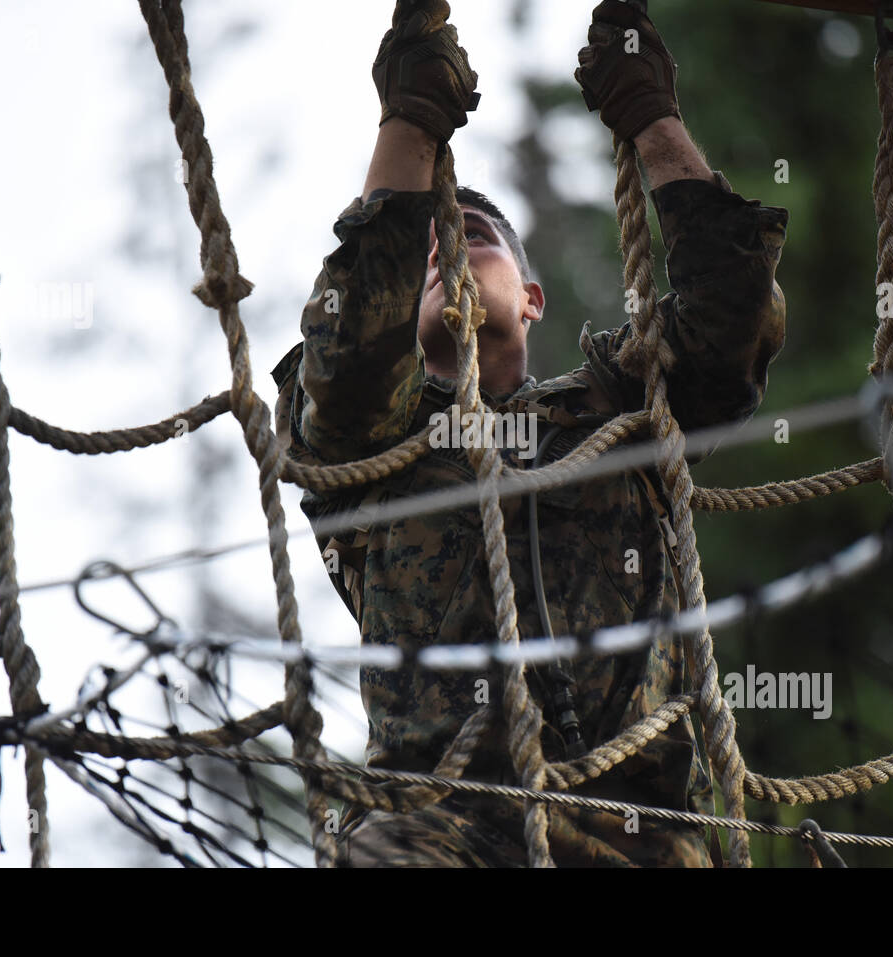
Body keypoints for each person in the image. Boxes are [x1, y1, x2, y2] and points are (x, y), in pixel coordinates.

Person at [271, 0, 789, 867]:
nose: (450, 246)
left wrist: (652, 121)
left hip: (640, 834)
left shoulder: (617, 410)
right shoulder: (367, 450)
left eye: (475, 237)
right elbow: (353, 349)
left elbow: (733, 320)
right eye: (431, 250)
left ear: (533, 298)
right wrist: (410, 120)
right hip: (440, 827)